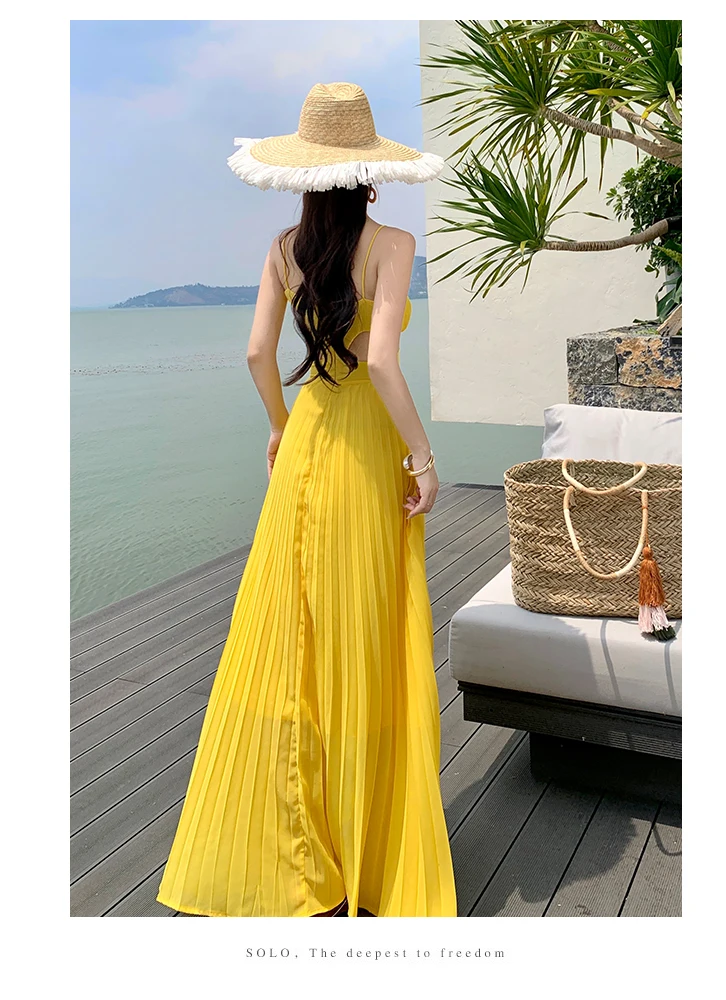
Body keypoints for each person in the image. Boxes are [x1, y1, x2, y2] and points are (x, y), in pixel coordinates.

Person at [156, 82, 457, 918]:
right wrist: (425, 458)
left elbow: (257, 353)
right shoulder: (393, 245)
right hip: (366, 447)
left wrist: (279, 426)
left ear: (303, 174)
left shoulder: (283, 249)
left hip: (307, 439)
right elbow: (383, 363)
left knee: (296, 634)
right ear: (369, 173)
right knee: (365, 629)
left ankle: (297, 848)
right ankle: (368, 843)